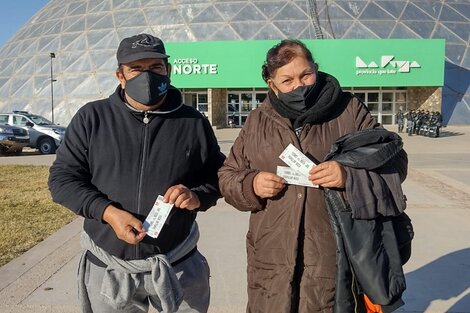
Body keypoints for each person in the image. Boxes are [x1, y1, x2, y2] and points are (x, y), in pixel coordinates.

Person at [218, 39, 409, 313]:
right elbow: (227, 176)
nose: (299, 86)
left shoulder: (349, 109)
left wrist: (348, 176)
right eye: (287, 80)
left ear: (316, 69)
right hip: (271, 259)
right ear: (271, 84)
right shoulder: (258, 119)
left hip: (332, 256)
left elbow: (395, 162)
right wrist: (251, 184)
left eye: (305, 75)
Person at [49, 33, 225, 313]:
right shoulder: (92, 118)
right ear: (120, 75)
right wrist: (108, 212)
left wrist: (197, 196)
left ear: (168, 70)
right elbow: (62, 180)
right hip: (109, 265)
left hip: (177, 264)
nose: (147, 76)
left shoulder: (193, 122)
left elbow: (218, 175)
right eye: (136, 69)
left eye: (156, 67)